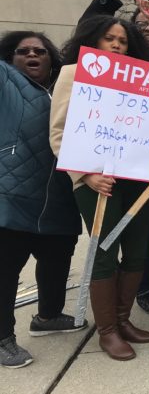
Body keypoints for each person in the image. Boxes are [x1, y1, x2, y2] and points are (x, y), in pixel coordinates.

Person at [49, 2, 149, 361]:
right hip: (96, 182)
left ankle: (123, 321)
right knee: (104, 253)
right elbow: (58, 133)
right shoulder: (72, 73)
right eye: (110, 38)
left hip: (137, 176)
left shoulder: (141, 73)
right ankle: (107, 331)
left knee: (138, 250)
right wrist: (85, 175)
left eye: (123, 40)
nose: (117, 45)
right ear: (94, 40)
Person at [0, 32, 85, 369]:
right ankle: (4, 337)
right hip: (14, 197)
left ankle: (48, 316)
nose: (32, 56)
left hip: (61, 197)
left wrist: (106, 1)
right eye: (23, 51)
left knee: (56, 260)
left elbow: (84, 36)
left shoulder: (68, 86)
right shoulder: (7, 84)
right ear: (9, 58)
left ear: (53, 57)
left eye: (40, 51)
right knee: (6, 271)